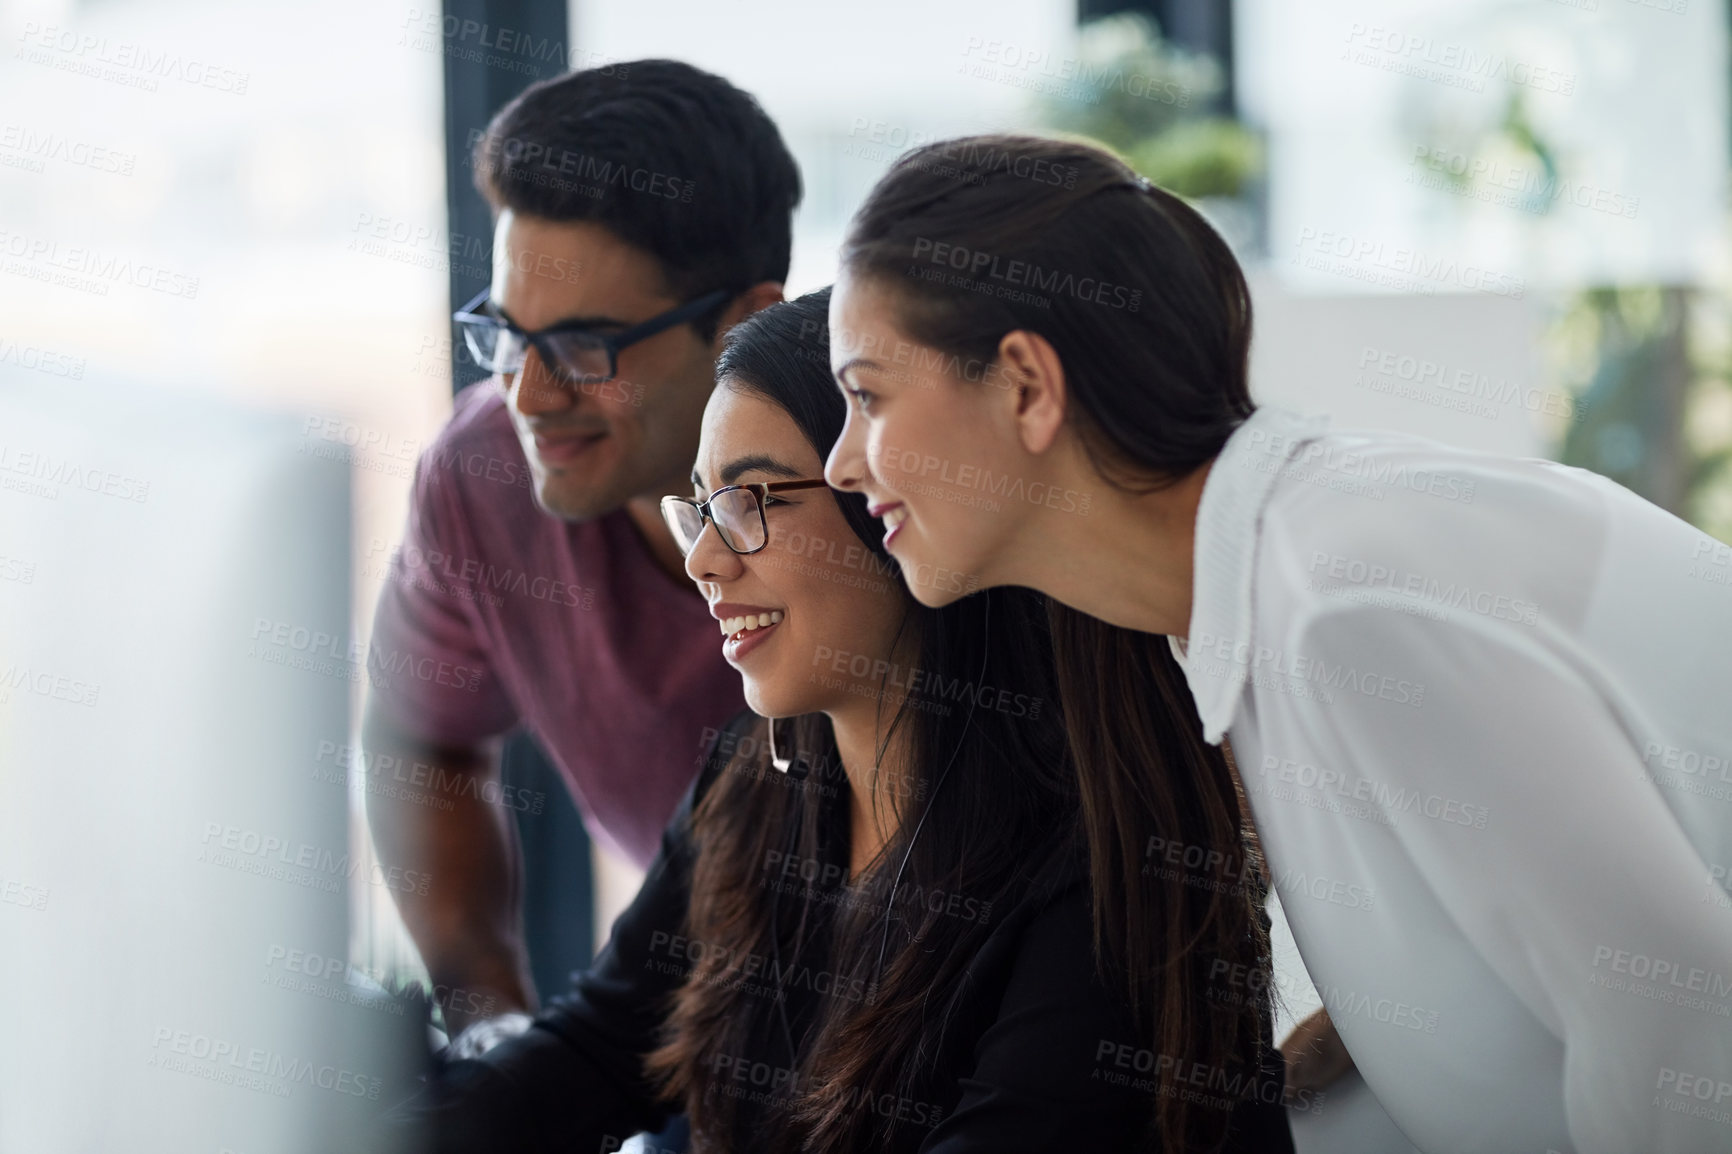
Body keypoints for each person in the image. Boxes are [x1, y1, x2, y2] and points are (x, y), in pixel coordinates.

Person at [822, 132, 1732, 1153]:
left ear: (1027, 384)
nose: (842, 463)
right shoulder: (1251, 608)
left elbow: (1681, 1028)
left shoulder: (1346, 593)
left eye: (867, 396)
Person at [379, 289, 1299, 1153]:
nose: (704, 559)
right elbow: (597, 1048)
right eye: (699, 506)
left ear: (895, 509)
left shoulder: (1097, 869)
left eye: (748, 501)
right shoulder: (759, 778)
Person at [361, 60, 797, 1041]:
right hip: (695, 1023)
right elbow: (421, 740)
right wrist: (489, 1019)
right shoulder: (483, 472)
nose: (529, 395)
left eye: (586, 348)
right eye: (511, 336)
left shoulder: (877, 507)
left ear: (748, 321)